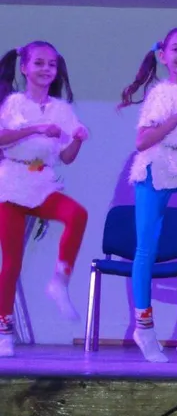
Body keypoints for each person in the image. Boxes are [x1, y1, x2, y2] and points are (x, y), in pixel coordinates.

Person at [118, 28, 177, 363]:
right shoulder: (161, 93)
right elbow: (142, 141)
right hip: (156, 169)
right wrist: (176, 119)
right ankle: (143, 327)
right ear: (163, 56)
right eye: (176, 49)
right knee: (146, 248)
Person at [0, 41, 89, 358]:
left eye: (51, 64)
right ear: (24, 68)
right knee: (12, 261)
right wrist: (37, 128)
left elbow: (66, 157)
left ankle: (60, 280)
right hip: (12, 183)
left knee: (77, 214)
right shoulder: (15, 103)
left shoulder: (61, 109)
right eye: (38, 63)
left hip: (41, 183)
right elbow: (2, 137)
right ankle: (3, 328)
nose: (46, 69)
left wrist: (77, 140)